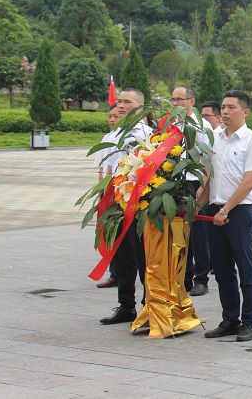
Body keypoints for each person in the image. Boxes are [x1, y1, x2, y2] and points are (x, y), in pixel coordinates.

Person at [197, 90, 252, 341]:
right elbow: (209, 176)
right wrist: (198, 204)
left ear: (245, 112)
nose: (225, 111)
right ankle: (230, 319)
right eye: (223, 107)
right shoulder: (214, 138)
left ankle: (250, 322)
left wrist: (226, 210)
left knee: (246, 267)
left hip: (240, 212)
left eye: (231, 107)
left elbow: (249, 181)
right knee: (223, 269)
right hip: (215, 210)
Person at [99, 88, 153, 325]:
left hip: (137, 204)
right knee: (120, 258)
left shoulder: (148, 135)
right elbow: (104, 170)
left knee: (142, 257)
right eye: (119, 101)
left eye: (127, 102)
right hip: (113, 203)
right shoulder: (113, 135)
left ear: (140, 107)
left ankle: (147, 306)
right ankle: (126, 305)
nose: (121, 106)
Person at [170, 86, 213, 298]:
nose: (176, 104)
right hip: (176, 185)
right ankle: (183, 276)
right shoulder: (171, 126)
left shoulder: (201, 127)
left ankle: (201, 278)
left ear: (191, 101)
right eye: (173, 100)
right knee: (180, 233)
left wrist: (203, 188)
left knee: (198, 235)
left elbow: (207, 160)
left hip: (195, 183)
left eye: (180, 99)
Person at [94, 103, 123, 289]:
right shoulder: (107, 138)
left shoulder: (131, 136)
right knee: (111, 232)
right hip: (109, 191)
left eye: (116, 116)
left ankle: (125, 271)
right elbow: (102, 167)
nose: (112, 119)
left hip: (126, 191)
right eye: (110, 116)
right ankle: (115, 273)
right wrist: (101, 192)